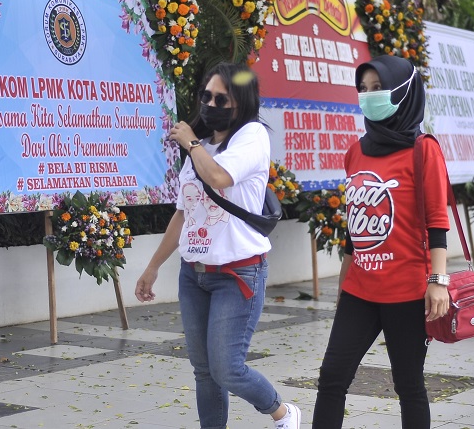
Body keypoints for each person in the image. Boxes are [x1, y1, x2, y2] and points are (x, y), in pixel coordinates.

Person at [134, 63, 301, 429]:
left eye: (220, 98)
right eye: (206, 96)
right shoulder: (203, 148)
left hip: (238, 273)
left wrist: (191, 142)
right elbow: (184, 213)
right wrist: (153, 266)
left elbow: (220, 177)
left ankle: (282, 412)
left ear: (240, 103)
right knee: (204, 371)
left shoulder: (252, 137)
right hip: (193, 275)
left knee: (228, 369)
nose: (210, 103)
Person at [312, 55, 451, 429]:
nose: (368, 96)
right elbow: (353, 229)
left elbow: (438, 221)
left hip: (408, 292)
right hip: (360, 289)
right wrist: (343, 282)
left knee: (408, 386)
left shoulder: (424, 150)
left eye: (378, 88)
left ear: (403, 92)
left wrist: (438, 282)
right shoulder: (356, 151)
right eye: (363, 89)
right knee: (331, 378)